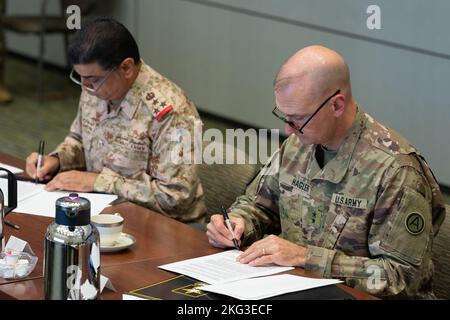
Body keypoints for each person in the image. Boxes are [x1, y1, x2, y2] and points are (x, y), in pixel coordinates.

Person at [206, 45, 446, 298]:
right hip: (295, 289)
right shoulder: (300, 142)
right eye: (284, 117)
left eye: (298, 118)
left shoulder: (396, 170)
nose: (288, 130)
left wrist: (305, 257)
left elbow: (401, 278)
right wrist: (238, 224)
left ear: (337, 106)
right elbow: (260, 205)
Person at [25, 17, 206, 223]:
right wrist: (57, 161)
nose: (85, 88)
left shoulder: (172, 113)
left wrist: (98, 182)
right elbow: (79, 139)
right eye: (79, 77)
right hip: (107, 214)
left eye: (92, 80)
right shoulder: (96, 87)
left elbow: (175, 198)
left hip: (168, 229)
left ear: (126, 68)